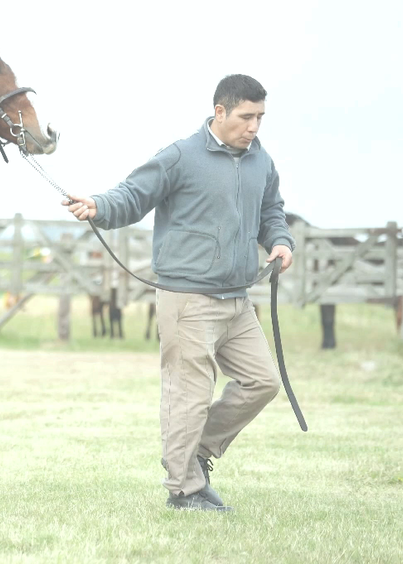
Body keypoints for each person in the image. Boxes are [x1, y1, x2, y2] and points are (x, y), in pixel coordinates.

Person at [63, 74, 294, 512]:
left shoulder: (261, 160)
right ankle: (183, 490)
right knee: (188, 393)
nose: (254, 127)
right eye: (247, 117)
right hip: (187, 299)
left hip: (237, 299)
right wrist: (98, 205)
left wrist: (281, 240)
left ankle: (196, 454)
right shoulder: (181, 156)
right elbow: (133, 194)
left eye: (261, 118)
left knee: (262, 382)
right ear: (220, 111)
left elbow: (271, 210)